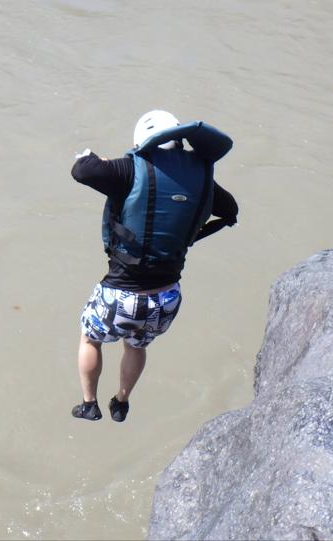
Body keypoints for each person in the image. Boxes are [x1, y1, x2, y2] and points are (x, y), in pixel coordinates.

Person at [70, 110, 238, 422]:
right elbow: (230, 211)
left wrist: (95, 157)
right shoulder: (202, 179)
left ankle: (89, 404)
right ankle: (121, 402)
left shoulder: (131, 169)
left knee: (90, 338)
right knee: (135, 347)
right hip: (166, 300)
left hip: (121, 296)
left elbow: (82, 170)